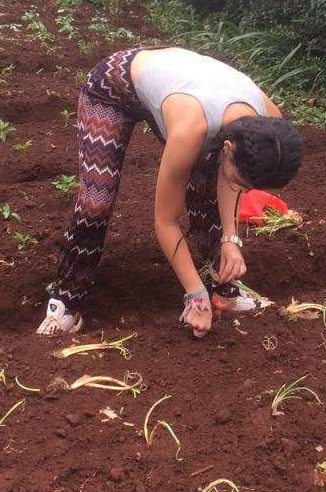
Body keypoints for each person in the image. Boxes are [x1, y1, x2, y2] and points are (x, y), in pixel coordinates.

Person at [37, 46, 304, 336]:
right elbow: (165, 221)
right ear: (228, 148)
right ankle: (65, 300)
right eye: (241, 181)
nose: (242, 189)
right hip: (113, 88)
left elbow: (231, 179)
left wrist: (231, 239)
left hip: (187, 93)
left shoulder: (270, 126)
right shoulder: (191, 128)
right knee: (96, 203)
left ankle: (223, 290)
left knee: (206, 193)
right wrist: (194, 295)